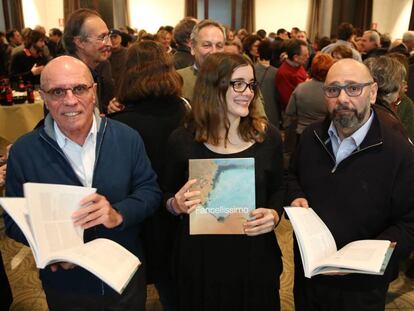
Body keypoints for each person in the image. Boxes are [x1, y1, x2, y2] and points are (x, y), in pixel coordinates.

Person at [3, 55, 161, 311]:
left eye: (79, 88)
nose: (70, 100)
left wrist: (118, 214)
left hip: (124, 275)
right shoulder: (24, 151)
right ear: (43, 96)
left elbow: (150, 192)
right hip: (65, 284)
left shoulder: (127, 138)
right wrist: (50, 248)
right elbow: (12, 222)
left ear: (94, 92)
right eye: (57, 92)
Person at [287, 58, 414, 311]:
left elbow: (409, 223)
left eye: (353, 88)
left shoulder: (398, 151)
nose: (342, 98)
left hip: (362, 286)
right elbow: (290, 177)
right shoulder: (311, 136)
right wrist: (295, 196)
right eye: (333, 89)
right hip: (309, 274)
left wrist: (368, 257)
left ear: (373, 92)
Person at [164, 52, 284, 311]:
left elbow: (280, 188)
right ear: (213, 86)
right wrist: (175, 204)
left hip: (254, 260)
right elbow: (163, 195)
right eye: (238, 83)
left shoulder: (268, 138)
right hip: (201, 262)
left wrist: (274, 215)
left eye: (251, 84)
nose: (248, 92)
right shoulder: (183, 141)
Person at [110, 40, 189, 311]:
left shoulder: (118, 123)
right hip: (181, 207)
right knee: (176, 284)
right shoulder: (186, 111)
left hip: (140, 215)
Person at [63, 8, 114, 114]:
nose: (109, 44)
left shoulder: (98, 68)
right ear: (80, 42)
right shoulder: (64, 77)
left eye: (108, 36)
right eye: (102, 38)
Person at [275, 39, 309, 111]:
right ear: (295, 57)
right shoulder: (283, 73)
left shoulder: (299, 65)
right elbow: (288, 101)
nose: (308, 57)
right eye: (305, 55)